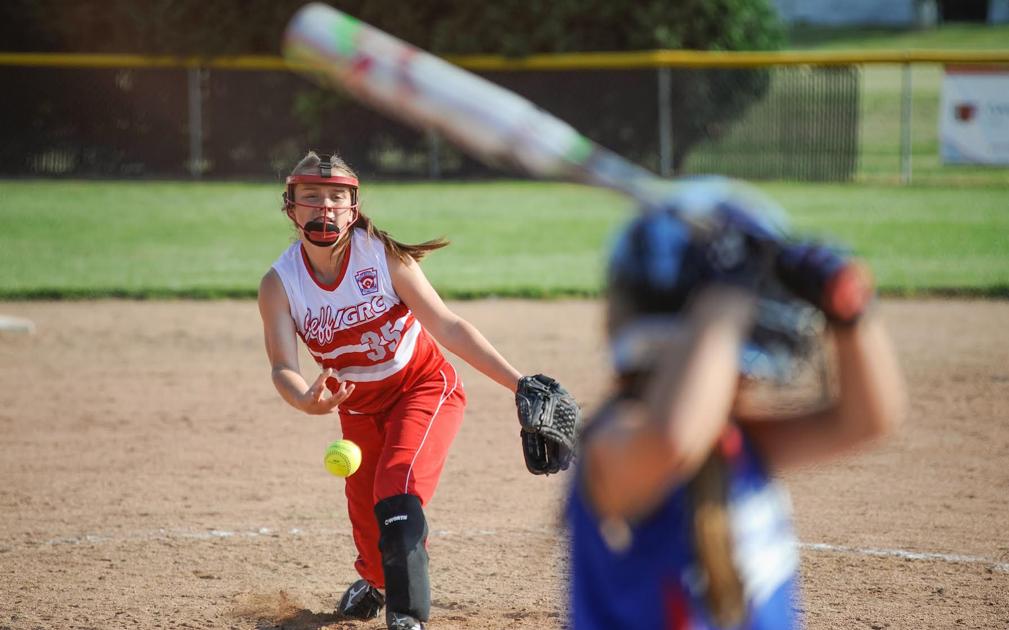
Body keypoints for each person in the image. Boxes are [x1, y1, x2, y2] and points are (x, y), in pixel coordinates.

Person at [566, 178, 907, 629]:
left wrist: (850, 314)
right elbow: (671, 439)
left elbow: (866, 418)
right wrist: (731, 291)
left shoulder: (736, 442)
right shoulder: (613, 443)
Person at [257, 151, 572, 630]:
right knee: (368, 522)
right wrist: (304, 398)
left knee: (398, 486)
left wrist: (518, 383)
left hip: (422, 388)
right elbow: (284, 365)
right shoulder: (281, 284)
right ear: (291, 207)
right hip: (356, 410)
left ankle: (407, 617)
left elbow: (447, 324)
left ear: (353, 206)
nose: (325, 208)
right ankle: (377, 582)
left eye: (337, 198)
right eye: (312, 197)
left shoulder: (380, 255)